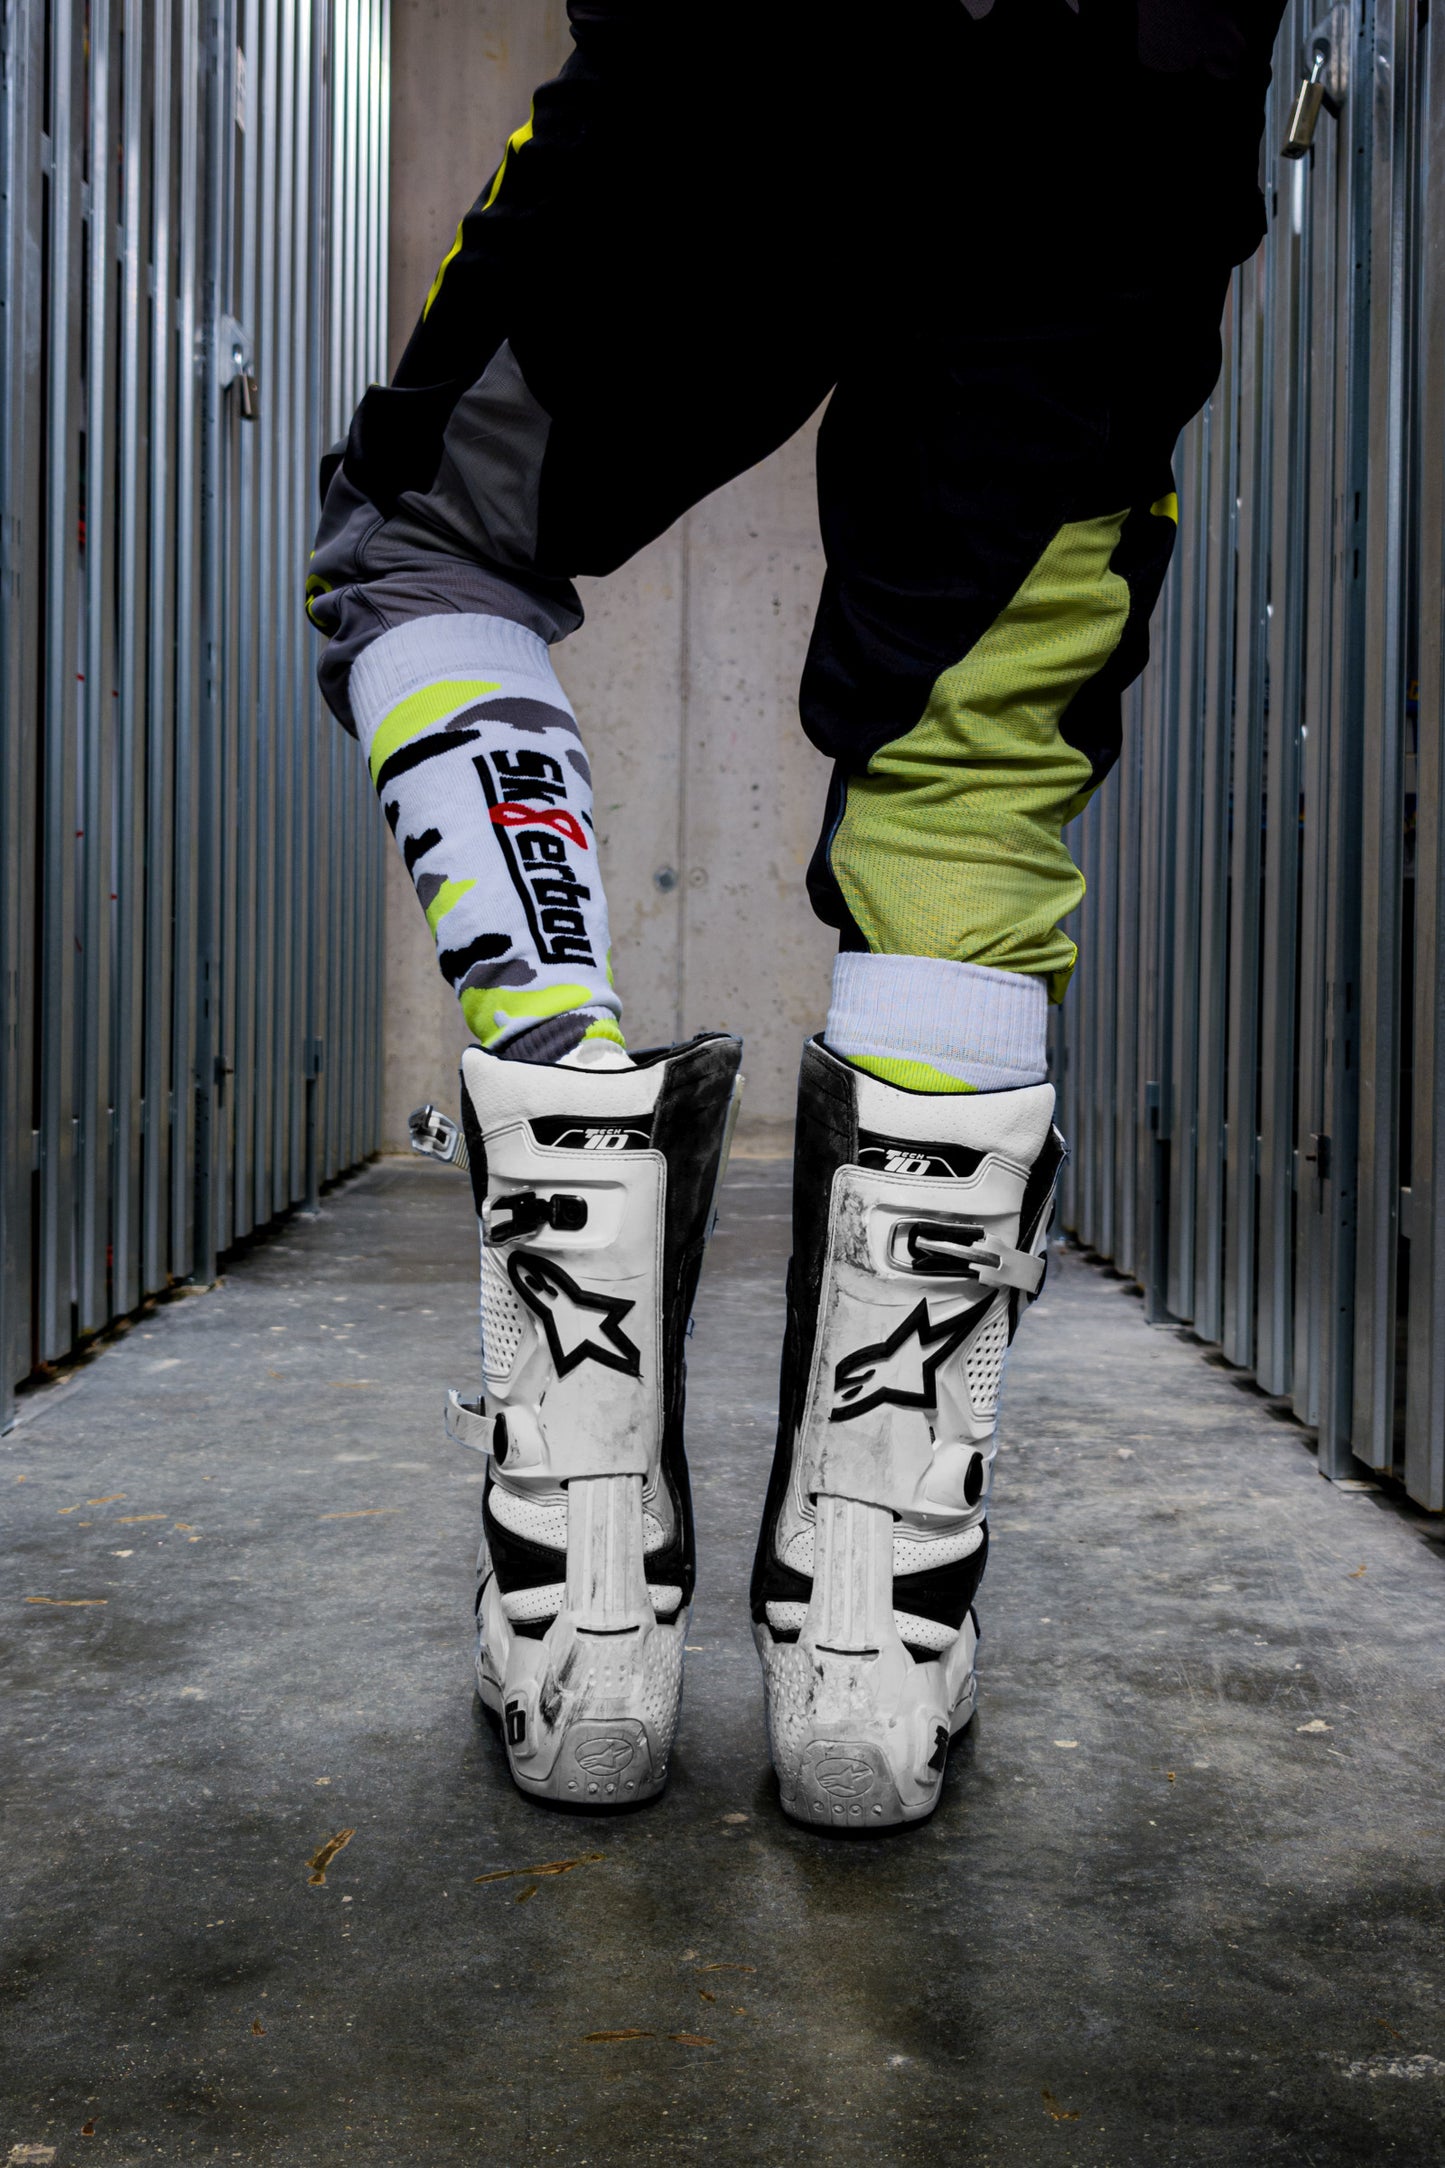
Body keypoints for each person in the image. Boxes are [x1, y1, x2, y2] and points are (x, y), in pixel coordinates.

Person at [308, 0, 1287, 1827]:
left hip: (743, 41)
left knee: (433, 542)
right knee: (969, 756)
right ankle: (870, 1640)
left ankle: (580, 1568)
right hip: (1123, 87)